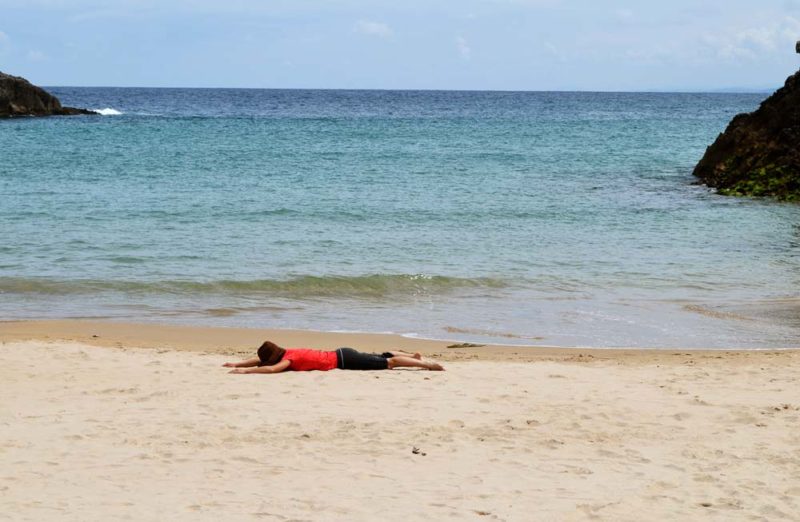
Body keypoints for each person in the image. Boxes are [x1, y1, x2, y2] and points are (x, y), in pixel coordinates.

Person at [223, 340, 445, 374]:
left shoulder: (287, 362)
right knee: (380, 356)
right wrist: (236, 362)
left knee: (389, 363)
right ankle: (413, 355)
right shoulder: (288, 352)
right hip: (341, 352)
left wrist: (244, 371)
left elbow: (270, 369)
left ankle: (425, 365)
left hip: (344, 361)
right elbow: (262, 362)